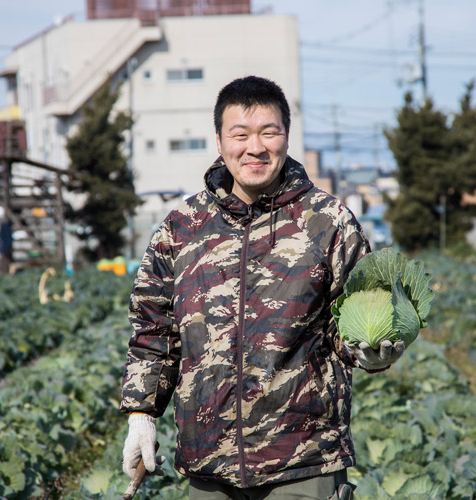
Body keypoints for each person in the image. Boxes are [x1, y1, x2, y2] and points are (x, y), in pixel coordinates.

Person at [120, 76, 405, 499]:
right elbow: (153, 329)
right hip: (207, 466)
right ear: (219, 141)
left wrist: (376, 349)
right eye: (240, 134)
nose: (255, 147)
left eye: (269, 132)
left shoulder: (328, 221)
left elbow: (355, 321)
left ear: (286, 137)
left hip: (304, 463)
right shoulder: (181, 228)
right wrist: (141, 412)